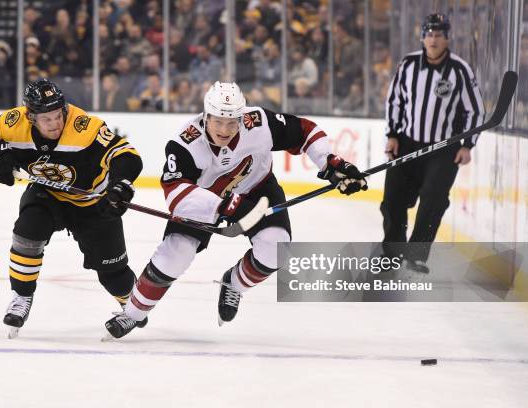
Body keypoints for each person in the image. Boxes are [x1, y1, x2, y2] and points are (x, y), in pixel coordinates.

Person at [104, 81, 368, 339]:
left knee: (276, 249)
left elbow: (304, 130)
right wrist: (225, 207)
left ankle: (234, 283)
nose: (225, 129)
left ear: (241, 118)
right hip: (205, 200)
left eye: (232, 122)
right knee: (176, 254)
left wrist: (331, 164)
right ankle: (133, 313)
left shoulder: (259, 123)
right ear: (206, 116)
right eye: (218, 120)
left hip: (258, 190)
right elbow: (176, 193)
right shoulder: (185, 143)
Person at [0, 79, 144, 338]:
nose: (55, 123)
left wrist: (120, 185)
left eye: (58, 115)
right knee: (27, 231)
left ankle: (133, 305)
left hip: (93, 204)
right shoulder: (13, 123)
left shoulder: (85, 127)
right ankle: (21, 297)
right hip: (48, 195)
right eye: (47, 119)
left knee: (114, 276)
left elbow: (126, 155)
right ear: (30, 117)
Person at [381, 13, 485, 273]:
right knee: (392, 200)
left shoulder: (460, 70)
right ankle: (393, 253)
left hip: (443, 149)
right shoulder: (408, 64)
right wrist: (393, 134)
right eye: (429, 34)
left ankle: (415, 255)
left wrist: (467, 144)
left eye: (439, 34)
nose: (433, 39)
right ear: (422, 37)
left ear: (447, 38)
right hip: (407, 144)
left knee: (433, 200)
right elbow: (395, 101)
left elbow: (475, 111)